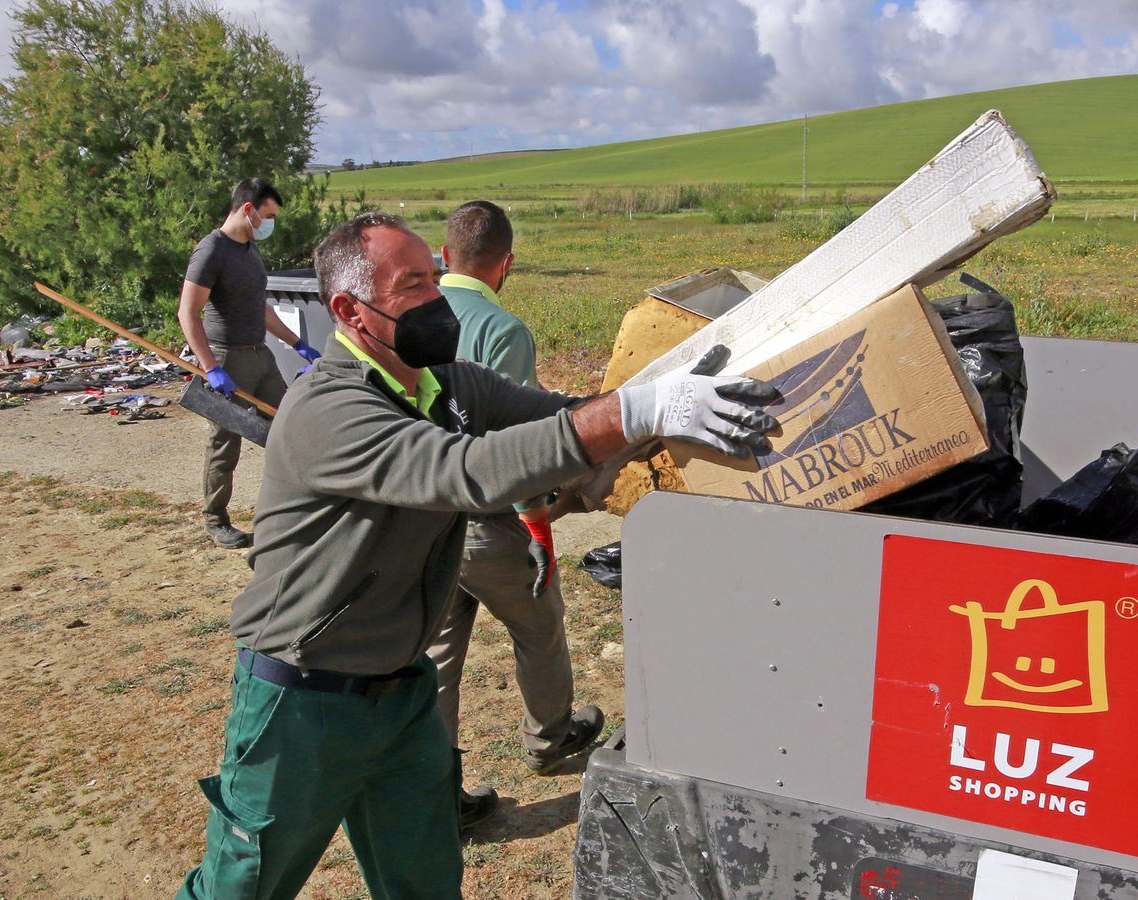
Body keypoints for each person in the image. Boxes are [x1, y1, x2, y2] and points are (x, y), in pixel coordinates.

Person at [175, 212, 778, 900]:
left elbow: (559, 413)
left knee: (426, 883)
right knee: (241, 890)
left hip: (401, 698)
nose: (437, 298)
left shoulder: (451, 385)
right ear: (349, 310)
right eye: (413, 285)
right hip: (304, 700)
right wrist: (632, 416)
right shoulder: (328, 408)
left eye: (435, 276)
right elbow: (470, 472)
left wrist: (653, 405)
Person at [427, 200, 599, 829]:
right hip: (487, 521)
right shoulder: (502, 331)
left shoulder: (411, 315)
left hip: (425, 516)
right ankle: (551, 738)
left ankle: (436, 789)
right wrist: (539, 523)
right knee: (540, 623)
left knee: (440, 653)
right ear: (506, 264)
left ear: (444, 257)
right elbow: (512, 445)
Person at [177, 178, 320, 549]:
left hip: (260, 354)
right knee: (225, 443)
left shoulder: (249, 250)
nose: (269, 223)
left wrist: (298, 343)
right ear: (247, 209)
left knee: (289, 424)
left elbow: (260, 305)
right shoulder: (211, 251)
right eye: (268, 215)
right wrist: (210, 367)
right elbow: (187, 312)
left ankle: (299, 509)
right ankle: (216, 519)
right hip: (228, 358)